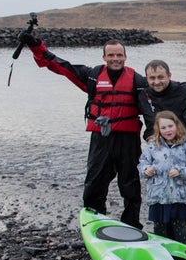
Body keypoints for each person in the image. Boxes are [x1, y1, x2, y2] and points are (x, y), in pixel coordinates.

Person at [21, 32, 146, 227]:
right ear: (104, 57)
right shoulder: (93, 77)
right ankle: (95, 222)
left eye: (119, 55)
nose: (115, 59)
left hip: (128, 141)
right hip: (101, 139)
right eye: (111, 55)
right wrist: (36, 46)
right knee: (95, 182)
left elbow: (163, 92)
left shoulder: (138, 82)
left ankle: (131, 224)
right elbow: (60, 66)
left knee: (130, 185)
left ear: (125, 57)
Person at [139, 60, 186, 246]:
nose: (157, 82)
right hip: (157, 150)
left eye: (161, 77)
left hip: (185, 150)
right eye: (152, 78)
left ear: (169, 76)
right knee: (160, 200)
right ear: (146, 79)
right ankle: (163, 244)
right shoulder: (143, 95)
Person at [138, 111, 186, 243]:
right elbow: (142, 163)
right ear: (158, 129)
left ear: (177, 125)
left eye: (170, 126)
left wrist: (180, 171)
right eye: (163, 128)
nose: (168, 130)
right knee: (159, 229)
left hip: (178, 197)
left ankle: (182, 256)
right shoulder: (153, 146)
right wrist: (146, 170)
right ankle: (161, 253)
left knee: (180, 229)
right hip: (158, 196)